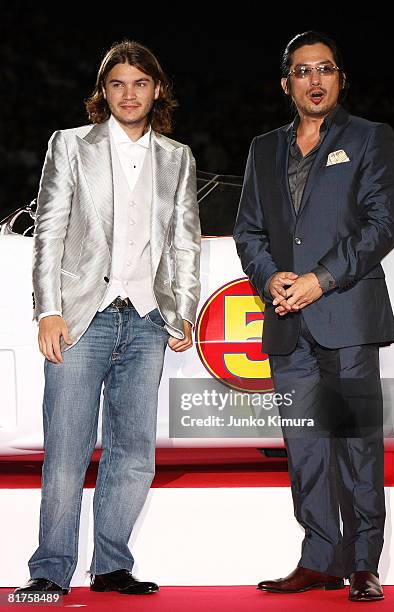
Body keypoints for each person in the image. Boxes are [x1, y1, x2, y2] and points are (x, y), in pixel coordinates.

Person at [15, 40, 201, 596]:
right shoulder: (70, 146)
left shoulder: (178, 157)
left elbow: (184, 242)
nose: (129, 93)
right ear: (104, 92)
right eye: (117, 83)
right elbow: (48, 232)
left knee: (133, 452)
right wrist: (48, 310)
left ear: (157, 89)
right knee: (67, 451)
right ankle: (49, 571)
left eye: (139, 83)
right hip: (81, 319)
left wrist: (183, 310)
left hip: (147, 319)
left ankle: (112, 566)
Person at [234, 31, 394, 603]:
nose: (315, 80)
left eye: (325, 69)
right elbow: (248, 231)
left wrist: (319, 279)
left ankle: (363, 564)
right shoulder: (262, 148)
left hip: (348, 318)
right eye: (302, 72)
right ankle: (319, 558)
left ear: (341, 78)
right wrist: (269, 277)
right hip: (287, 324)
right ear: (287, 84)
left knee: (357, 443)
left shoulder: (370, 138)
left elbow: (381, 224)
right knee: (304, 449)